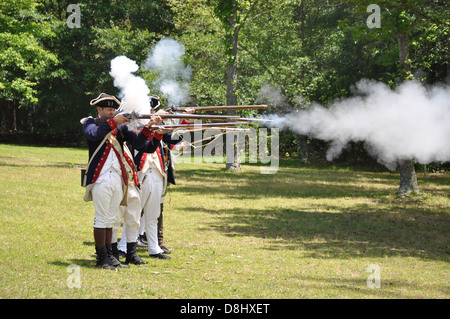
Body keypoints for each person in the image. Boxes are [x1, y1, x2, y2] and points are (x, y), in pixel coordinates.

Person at [81, 93, 162, 270]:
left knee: (111, 220)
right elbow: (93, 135)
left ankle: (111, 256)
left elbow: (140, 143)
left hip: (118, 178)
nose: (111, 112)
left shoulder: (120, 128)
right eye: (107, 109)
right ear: (99, 109)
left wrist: (150, 127)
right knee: (102, 219)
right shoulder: (90, 122)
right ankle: (102, 258)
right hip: (101, 178)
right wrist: (115, 121)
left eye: (113, 109)